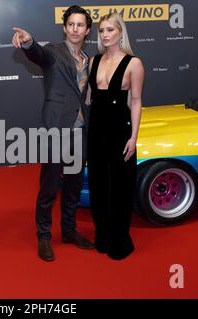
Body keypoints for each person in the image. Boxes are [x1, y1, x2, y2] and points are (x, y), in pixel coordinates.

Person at [12, 5, 95, 262]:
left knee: (72, 187)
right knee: (49, 187)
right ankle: (44, 236)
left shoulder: (89, 61)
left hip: (80, 132)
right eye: (71, 24)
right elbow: (37, 54)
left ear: (87, 30)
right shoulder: (53, 53)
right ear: (64, 27)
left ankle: (69, 231)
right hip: (56, 130)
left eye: (80, 25)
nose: (75, 29)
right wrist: (28, 42)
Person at [87, 13, 144, 260]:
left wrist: (134, 137)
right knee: (99, 186)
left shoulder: (134, 64)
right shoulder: (93, 61)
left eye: (110, 30)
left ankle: (120, 240)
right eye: (101, 31)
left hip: (120, 130)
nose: (105, 34)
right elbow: (89, 98)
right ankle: (102, 235)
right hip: (96, 130)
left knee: (120, 187)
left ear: (121, 32)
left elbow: (136, 100)